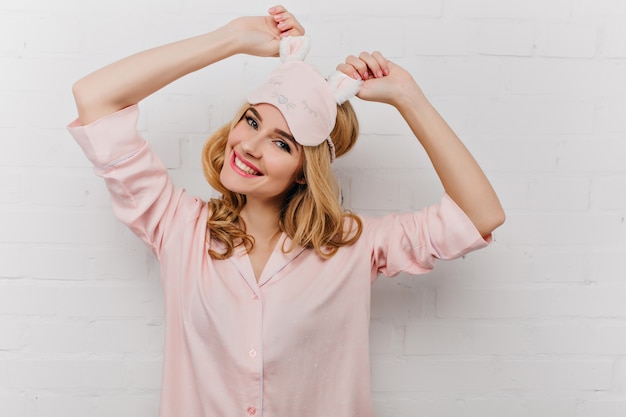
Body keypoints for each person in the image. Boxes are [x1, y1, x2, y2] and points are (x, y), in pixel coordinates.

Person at [68, 5, 504, 417]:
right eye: (252, 121)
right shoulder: (179, 227)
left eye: (282, 143)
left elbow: (479, 215)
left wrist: (409, 97)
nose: (250, 147)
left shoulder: (355, 246)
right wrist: (230, 38)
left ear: (303, 170)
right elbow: (94, 97)